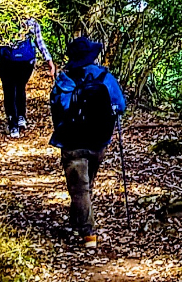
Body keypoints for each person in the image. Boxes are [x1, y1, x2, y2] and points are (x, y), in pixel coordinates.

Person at [49, 37, 126, 249]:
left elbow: (57, 109)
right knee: (85, 186)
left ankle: (88, 233)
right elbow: (120, 105)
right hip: (98, 141)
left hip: (72, 142)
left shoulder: (64, 81)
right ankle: (79, 221)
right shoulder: (105, 77)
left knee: (80, 189)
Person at [0, 16, 56, 138]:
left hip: (7, 61)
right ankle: (21, 116)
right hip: (26, 61)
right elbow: (39, 41)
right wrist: (49, 60)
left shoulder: (2, 19)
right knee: (20, 87)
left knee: (9, 90)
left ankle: (13, 124)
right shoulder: (31, 20)